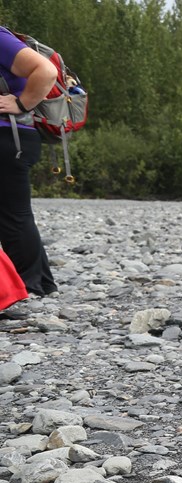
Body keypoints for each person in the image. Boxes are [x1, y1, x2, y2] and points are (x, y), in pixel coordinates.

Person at [0, 26, 58, 299]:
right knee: (14, 215)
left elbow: (46, 72)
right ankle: (40, 282)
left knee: (14, 216)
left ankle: (29, 286)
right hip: (13, 138)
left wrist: (22, 104)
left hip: (10, 137)